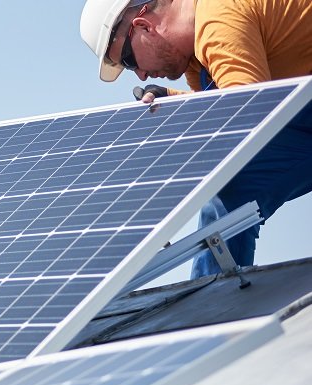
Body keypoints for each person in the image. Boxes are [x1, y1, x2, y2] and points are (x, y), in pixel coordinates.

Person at [79, 0, 312, 278]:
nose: (140, 74)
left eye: (129, 61)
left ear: (143, 26)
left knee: (229, 182)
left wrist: (156, 200)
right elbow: (229, 105)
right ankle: (218, 300)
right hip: (299, 110)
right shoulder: (196, 57)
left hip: (291, 112)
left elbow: (248, 116)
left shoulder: (218, 19)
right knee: (233, 190)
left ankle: (215, 303)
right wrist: (177, 105)